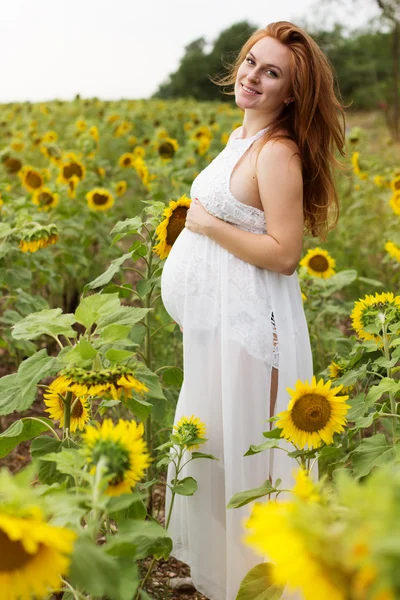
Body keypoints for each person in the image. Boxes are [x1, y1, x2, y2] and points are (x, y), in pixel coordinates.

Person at [161, 21, 346, 600]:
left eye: (272, 73)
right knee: (216, 462)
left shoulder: (278, 152)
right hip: (217, 334)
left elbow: (286, 254)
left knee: (251, 473)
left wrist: (206, 223)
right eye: (250, 63)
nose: (253, 78)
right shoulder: (241, 139)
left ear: (291, 92)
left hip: (247, 336)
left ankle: (262, 589)